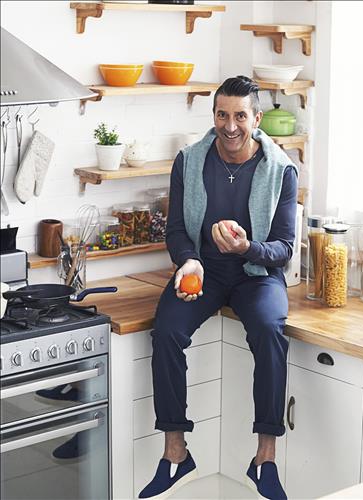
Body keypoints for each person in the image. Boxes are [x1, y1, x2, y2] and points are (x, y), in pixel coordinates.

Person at [138, 75, 298, 500]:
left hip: (256, 274)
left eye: (240, 116)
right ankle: (176, 454)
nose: (230, 126)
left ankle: (264, 459)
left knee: (269, 331)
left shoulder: (281, 169)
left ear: (256, 119)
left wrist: (247, 247)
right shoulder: (190, 161)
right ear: (213, 116)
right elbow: (176, 229)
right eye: (222, 115)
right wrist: (188, 258)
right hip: (203, 270)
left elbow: (283, 248)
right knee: (166, 331)